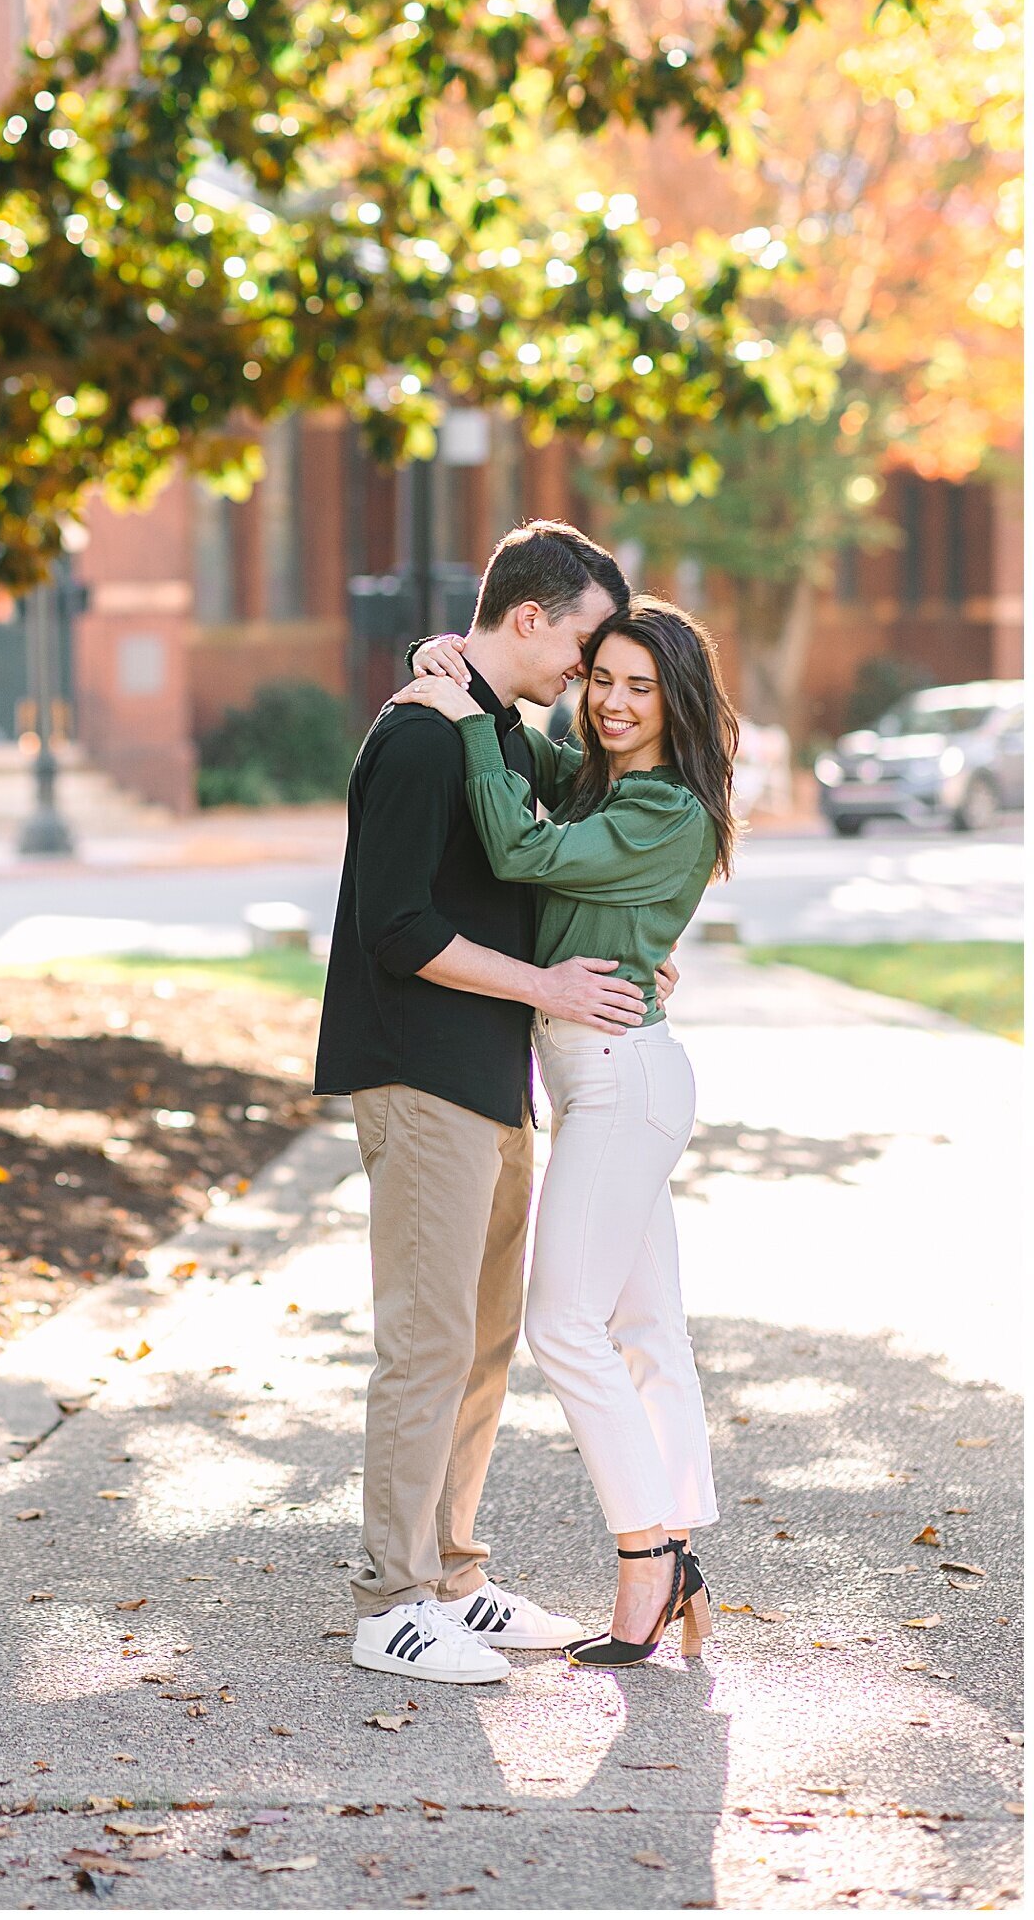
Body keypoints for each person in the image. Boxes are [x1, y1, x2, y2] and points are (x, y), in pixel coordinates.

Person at [316, 518, 683, 1686]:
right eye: (582, 649)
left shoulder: (504, 739)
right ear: (529, 618)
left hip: (489, 1077)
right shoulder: (424, 737)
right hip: (416, 1070)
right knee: (425, 1343)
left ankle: (453, 1577)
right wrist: (544, 983)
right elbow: (399, 927)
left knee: (480, 1342)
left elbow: (536, 873)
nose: (587, 677)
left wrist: (629, 950)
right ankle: (389, 1600)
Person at [393, 593, 737, 1667]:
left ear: (677, 701)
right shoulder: (597, 777)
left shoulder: (665, 809)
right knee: (646, 1329)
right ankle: (677, 1537)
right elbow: (513, 724)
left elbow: (514, 849)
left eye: (640, 685)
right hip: (602, 1072)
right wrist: (439, 662)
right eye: (602, 679)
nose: (615, 701)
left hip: (620, 1076)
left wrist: (452, 722)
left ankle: (647, 1550)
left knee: (564, 1327)